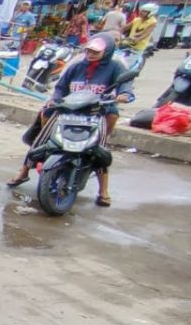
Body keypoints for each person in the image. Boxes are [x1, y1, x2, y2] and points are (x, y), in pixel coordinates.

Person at [7, 33, 130, 206]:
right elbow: (60, 88)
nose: (91, 54)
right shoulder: (77, 66)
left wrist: (124, 95)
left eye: (96, 52)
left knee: (99, 148)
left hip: (97, 113)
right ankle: (24, 171)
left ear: (107, 51)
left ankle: (103, 190)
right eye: (89, 50)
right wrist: (55, 99)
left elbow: (126, 88)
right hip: (69, 110)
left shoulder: (115, 68)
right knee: (42, 137)